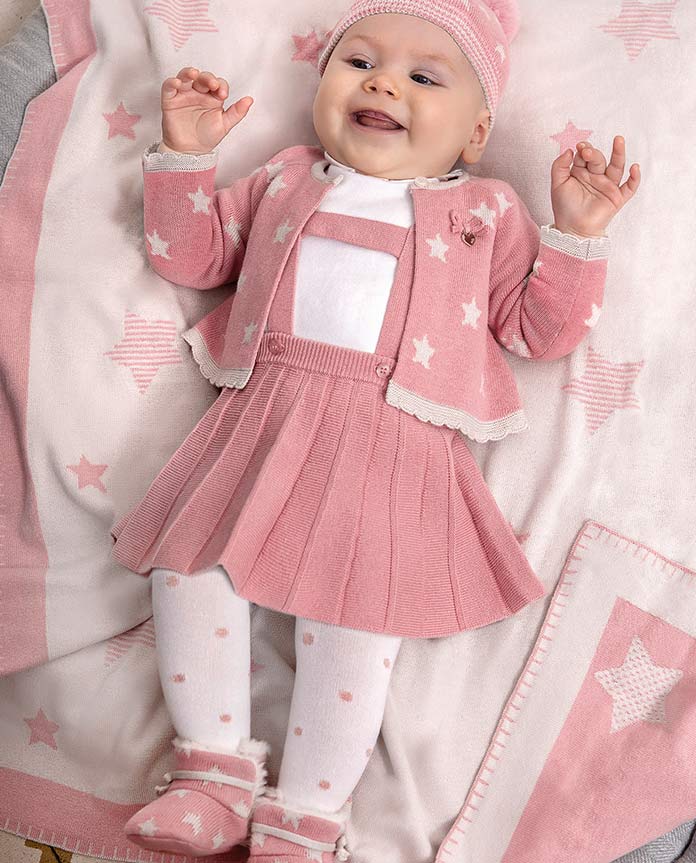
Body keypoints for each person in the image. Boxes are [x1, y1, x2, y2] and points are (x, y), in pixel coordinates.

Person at [111, 0, 641, 858]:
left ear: (475, 133)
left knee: (354, 625)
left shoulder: (484, 212)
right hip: (266, 420)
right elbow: (192, 257)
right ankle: (210, 776)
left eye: (423, 77)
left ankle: (305, 821)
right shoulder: (285, 179)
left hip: (393, 447)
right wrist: (185, 155)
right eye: (358, 63)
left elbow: (537, 333)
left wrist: (577, 236)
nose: (384, 83)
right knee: (191, 569)